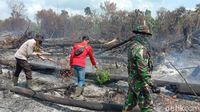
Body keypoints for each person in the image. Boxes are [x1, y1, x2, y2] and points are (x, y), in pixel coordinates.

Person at [122, 25, 154, 112]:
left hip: (132, 80)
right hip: (140, 83)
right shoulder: (140, 49)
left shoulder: (132, 47)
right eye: (145, 35)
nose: (147, 38)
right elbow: (142, 69)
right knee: (147, 106)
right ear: (141, 35)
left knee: (129, 104)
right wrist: (152, 84)